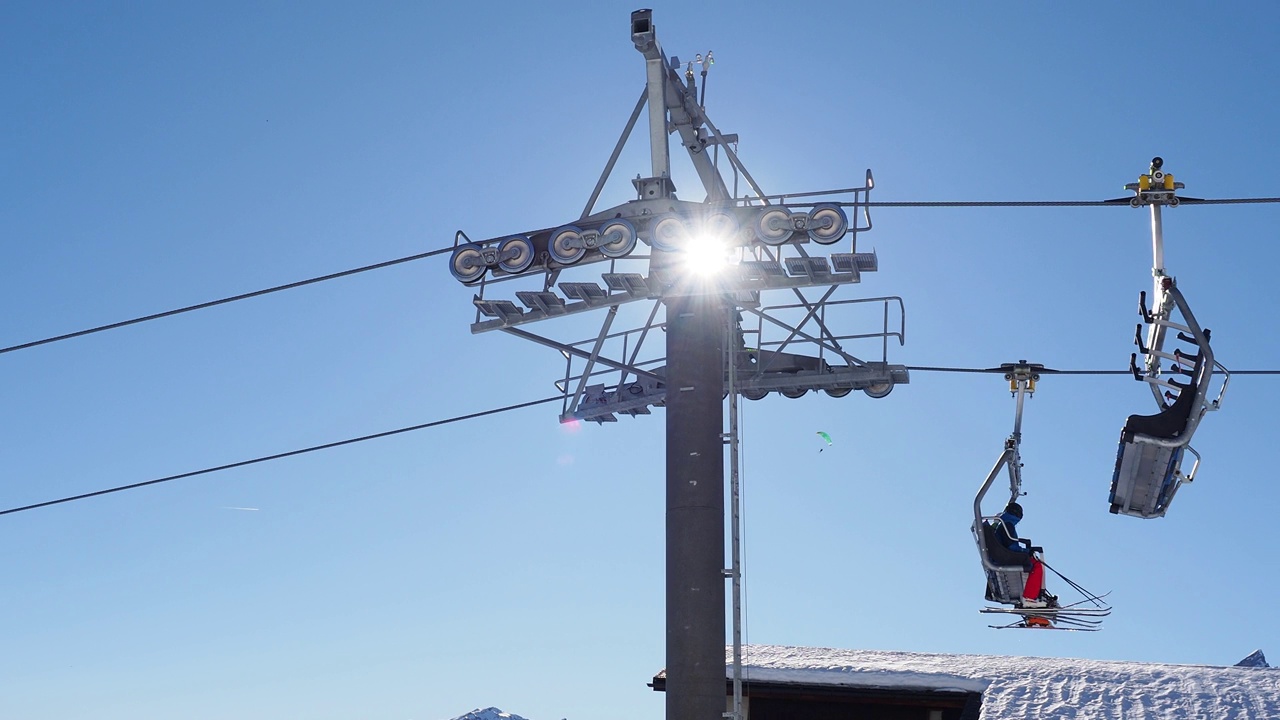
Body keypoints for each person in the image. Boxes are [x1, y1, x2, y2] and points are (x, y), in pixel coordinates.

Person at [992, 501, 1058, 609]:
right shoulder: (1007, 525)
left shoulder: (1003, 523)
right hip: (1007, 557)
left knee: (1035, 563)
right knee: (1037, 565)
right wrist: (1026, 551)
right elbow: (1011, 545)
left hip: (1002, 556)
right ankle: (1029, 599)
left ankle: (1035, 594)